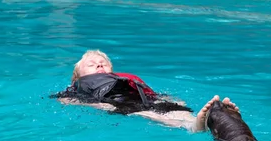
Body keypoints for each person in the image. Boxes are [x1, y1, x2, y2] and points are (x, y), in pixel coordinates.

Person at [56, 50, 240, 133]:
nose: (99, 64)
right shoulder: (77, 87)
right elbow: (65, 100)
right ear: (77, 77)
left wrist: (171, 101)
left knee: (168, 108)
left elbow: (150, 93)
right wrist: (98, 105)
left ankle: (202, 120)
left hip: (140, 97)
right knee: (146, 112)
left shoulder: (122, 79)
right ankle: (192, 127)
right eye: (92, 64)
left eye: (103, 63)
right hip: (116, 102)